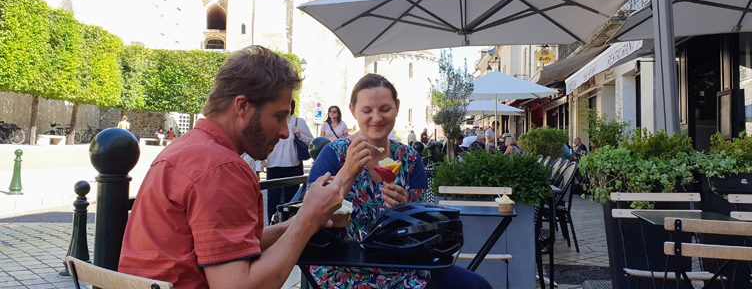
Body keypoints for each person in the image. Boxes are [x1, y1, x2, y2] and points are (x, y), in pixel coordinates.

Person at [119, 45, 345, 289]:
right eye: (278, 116)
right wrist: (308, 221)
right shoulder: (222, 168)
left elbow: (229, 246)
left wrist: (300, 220)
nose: (283, 132)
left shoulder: (184, 149)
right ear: (242, 107)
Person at [308, 73, 491, 289]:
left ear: (396, 107)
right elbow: (308, 218)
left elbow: (427, 225)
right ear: (352, 111)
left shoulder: (409, 158)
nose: (376, 118)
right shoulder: (333, 155)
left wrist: (407, 210)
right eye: (367, 111)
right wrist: (347, 172)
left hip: (403, 264)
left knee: (477, 286)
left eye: (385, 109)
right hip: (343, 268)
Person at [262, 99, 313, 218]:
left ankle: (288, 227)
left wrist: (300, 135)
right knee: (272, 200)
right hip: (274, 165)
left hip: (292, 166)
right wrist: (263, 160)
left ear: (291, 107)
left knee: (291, 201)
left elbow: (312, 142)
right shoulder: (273, 121)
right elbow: (264, 140)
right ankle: (272, 225)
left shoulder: (298, 122)